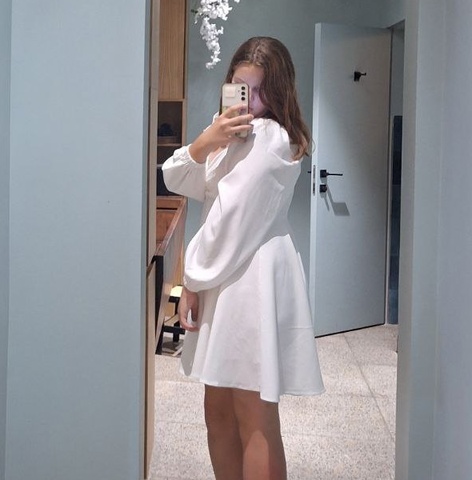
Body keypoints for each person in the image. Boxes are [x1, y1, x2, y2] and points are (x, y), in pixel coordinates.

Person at [162, 36, 324, 480]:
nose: (249, 101)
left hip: (247, 277)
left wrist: (191, 281)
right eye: (240, 88)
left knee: (252, 413)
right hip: (230, 272)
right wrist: (207, 140)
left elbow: (227, 222)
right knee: (219, 408)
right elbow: (177, 178)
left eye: (259, 91)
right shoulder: (233, 135)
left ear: (279, 90)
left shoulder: (269, 139)